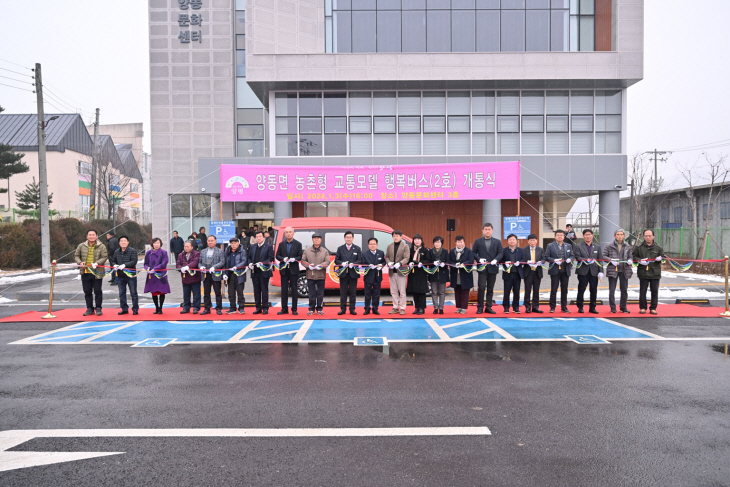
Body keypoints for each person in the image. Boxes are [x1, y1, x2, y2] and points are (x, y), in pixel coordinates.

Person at [74, 229, 108, 316]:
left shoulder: (101, 246)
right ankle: (89, 308)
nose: (91, 236)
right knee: (87, 291)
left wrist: (97, 263)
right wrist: (80, 262)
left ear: (96, 236)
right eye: (90, 235)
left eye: (93, 235)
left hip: (97, 272)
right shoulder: (81, 246)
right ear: (87, 236)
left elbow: (104, 257)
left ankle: (98, 308)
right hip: (85, 272)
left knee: (97, 291)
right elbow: (76, 256)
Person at [472, 223, 504, 315]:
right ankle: (480, 307)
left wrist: (496, 260)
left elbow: (500, 253)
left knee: (490, 289)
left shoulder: (497, 242)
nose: (487, 231)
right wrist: (479, 259)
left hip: (493, 268)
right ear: (482, 231)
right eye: (485, 229)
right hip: (482, 268)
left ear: (492, 230)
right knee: (481, 288)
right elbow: (473, 252)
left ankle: (488, 307)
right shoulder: (478, 241)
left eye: (489, 229)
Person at [633, 229, 664, 315]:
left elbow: (664, 259)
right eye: (646, 236)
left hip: (655, 273)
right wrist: (639, 260)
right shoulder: (639, 247)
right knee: (643, 291)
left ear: (653, 236)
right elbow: (633, 257)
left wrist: (660, 259)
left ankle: (653, 308)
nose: (648, 237)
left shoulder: (658, 248)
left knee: (654, 291)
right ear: (643, 237)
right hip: (643, 272)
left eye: (650, 236)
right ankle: (643, 307)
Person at [275, 226, 303, 315]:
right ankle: (284, 309)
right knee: (284, 290)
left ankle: (294, 309)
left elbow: (300, 256)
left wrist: (294, 259)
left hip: (294, 270)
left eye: (290, 232)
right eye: (287, 232)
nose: (288, 233)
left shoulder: (298, 244)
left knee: (294, 290)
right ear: (284, 234)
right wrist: (283, 258)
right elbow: (277, 255)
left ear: (293, 233)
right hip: (284, 270)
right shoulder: (281, 244)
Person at [604, 228, 633, 314]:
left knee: (624, 290)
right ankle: (613, 307)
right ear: (614, 236)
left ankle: (623, 307)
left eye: (621, 234)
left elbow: (630, 256)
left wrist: (630, 260)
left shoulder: (628, 246)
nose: (620, 236)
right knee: (612, 290)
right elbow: (604, 256)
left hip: (624, 270)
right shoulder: (609, 245)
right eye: (618, 234)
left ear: (624, 236)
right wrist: (611, 260)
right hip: (613, 270)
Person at [544, 229, 574, 313]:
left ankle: (564, 307)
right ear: (555, 236)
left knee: (564, 290)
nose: (560, 236)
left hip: (565, 270)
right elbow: (546, 257)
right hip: (555, 270)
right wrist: (554, 260)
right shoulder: (550, 245)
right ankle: (552, 307)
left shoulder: (568, 245)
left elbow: (572, 256)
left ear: (564, 237)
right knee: (554, 289)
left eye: (561, 235)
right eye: (558, 235)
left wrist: (569, 259)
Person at [574, 229, 603, 314]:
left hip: (594, 271)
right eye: (586, 235)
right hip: (583, 271)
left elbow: (600, 259)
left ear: (592, 235)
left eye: (589, 234)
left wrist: (601, 271)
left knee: (593, 290)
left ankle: (592, 307)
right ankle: (580, 307)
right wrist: (586, 260)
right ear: (583, 236)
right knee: (581, 289)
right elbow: (577, 257)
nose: (588, 236)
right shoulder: (578, 246)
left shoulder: (597, 246)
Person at [110, 235, 139, 316]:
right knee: (122, 293)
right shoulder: (117, 252)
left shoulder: (132, 251)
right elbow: (113, 260)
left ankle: (135, 309)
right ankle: (124, 309)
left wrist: (124, 265)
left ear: (128, 242)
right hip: (120, 276)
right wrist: (114, 265)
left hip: (130, 275)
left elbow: (134, 261)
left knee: (133, 293)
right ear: (119, 243)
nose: (123, 242)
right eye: (121, 241)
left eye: (125, 241)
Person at [335, 231, 362, 316]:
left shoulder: (357, 248)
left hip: (353, 273)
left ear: (353, 238)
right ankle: (343, 309)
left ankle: (352, 309)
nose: (348, 239)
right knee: (343, 293)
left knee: (353, 292)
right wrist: (342, 263)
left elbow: (360, 260)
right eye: (347, 237)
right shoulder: (340, 248)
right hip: (343, 274)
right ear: (344, 238)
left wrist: (353, 264)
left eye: (350, 237)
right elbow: (336, 260)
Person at [302, 232, 329, 315]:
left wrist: (321, 265)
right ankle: (311, 308)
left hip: (321, 275)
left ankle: (320, 309)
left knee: (320, 294)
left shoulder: (324, 251)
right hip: (310, 275)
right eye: (314, 238)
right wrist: (308, 266)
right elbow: (303, 261)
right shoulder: (307, 250)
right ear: (312, 240)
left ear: (321, 240)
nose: (316, 240)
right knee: (312, 293)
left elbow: (327, 261)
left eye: (318, 238)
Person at [248, 231, 275, 315]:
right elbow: (249, 257)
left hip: (264, 271)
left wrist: (263, 263)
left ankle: (265, 307)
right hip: (254, 272)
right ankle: (258, 307)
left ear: (263, 237)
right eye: (257, 237)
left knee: (264, 290)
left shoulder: (268, 246)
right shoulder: (252, 247)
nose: (258, 238)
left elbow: (270, 258)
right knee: (256, 291)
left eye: (260, 236)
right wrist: (249, 263)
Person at [448, 235, 475, 314]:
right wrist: (455, 264)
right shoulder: (452, 251)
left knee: (465, 291)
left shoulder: (468, 251)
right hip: (455, 275)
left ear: (464, 242)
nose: (460, 244)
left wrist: (463, 264)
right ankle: (459, 307)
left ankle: (464, 307)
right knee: (457, 291)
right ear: (455, 243)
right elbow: (449, 260)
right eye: (458, 242)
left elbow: (471, 260)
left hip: (465, 275)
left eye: (461, 242)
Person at [385, 230, 410, 315]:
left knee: (402, 291)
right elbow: (387, 256)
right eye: (394, 236)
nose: (395, 237)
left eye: (397, 236)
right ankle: (395, 307)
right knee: (393, 291)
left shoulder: (405, 246)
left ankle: (402, 308)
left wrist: (400, 263)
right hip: (392, 271)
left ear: (401, 236)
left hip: (401, 271)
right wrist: (388, 263)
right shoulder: (389, 246)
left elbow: (407, 258)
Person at [144, 237, 171, 314]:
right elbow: (145, 263)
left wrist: (155, 269)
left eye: (158, 243)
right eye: (155, 243)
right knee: (154, 292)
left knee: (162, 291)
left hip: (161, 275)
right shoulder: (148, 253)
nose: (156, 244)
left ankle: (161, 308)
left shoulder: (164, 252)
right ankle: (157, 308)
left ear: (160, 244)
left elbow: (164, 263)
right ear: (152, 244)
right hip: (151, 275)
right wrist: (147, 268)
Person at [199, 235, 225, 315]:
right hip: (206, 275)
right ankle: (207, 308)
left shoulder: (220, 251)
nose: (210, 242)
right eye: (209, 241)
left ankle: (218, 308)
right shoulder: (203, 251)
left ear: (215, 241)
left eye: (212, 241)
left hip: (215, 274)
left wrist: (214, 267)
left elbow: (222, 262)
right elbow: (199, 262)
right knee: (206, 293)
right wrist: (201, 267)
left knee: (217, 292)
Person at [500, 234, 525, 314]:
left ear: (516, 241)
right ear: (507, 241)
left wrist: (520, 262)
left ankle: (516, 307)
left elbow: (523, 259)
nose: (512, 241)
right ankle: (506, 307)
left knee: (516, 291)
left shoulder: (520, 250)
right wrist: (505, 263)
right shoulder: (504, 250)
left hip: (517, 273)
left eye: (513, 239)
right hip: (508, 273)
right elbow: (500, 260)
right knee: (506, 291)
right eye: (510, 239)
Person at [407, 233, 431, 315]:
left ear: (421, 241)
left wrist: (422, 263)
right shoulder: (410, 250)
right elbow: (408, 259)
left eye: (418, 239)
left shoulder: (425, 250)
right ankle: (416, 307)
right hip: (413, 272)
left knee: (421, 291)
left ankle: (422, 308)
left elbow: (428, 260)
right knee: (414, 291)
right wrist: (410, 263)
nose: (417, 241)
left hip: (421, 273)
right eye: (415, 239)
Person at [224, 237, 248, 315]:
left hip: (239, 274)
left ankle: (241, 307)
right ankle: (232, 307)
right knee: (231, 293)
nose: (233, 245)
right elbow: (225, 263)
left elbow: (244, 261)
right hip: (230, 275)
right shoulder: (227, 251)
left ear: (238, 243)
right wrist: (225, 273)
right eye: (232, 243)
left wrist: (236, 267)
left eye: (235, 243)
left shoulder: (242, 251)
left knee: (240, 292)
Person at [362, 237, 385, 315]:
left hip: (377, 276)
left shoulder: (381, 253)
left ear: (377, 245)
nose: (372, 245)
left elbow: (384, 262)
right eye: (371, 244)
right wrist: (368, 265)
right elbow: (362, 264)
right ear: (368, 245)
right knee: (367, 294)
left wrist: (381, 265)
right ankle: (367, 309)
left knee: (376, 294)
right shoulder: (364, 254)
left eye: (374, 244)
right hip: (368, 276)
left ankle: (375, 308)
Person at [177, 240, 201, 314]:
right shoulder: (180, 255)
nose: (186, 248)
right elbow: (178, 264)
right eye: (185, 246)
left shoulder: (197, 254)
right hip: (185, 278)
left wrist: (187, 266)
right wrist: (181, 269)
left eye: (188, 246)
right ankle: (186, 307)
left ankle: (196, 307)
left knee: (196, 294)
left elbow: (195, 262)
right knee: (186, 294)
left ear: (192, 247)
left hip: (195, 277)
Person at [521, 233, 544, 314]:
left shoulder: (540, 249)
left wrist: (541, 262)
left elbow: (543, 258)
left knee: (536, 290)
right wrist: (527, 262)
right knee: (527, 290)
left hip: (537, 272)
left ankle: (535, 307)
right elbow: (522, 259)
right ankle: (527, 307)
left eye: (534, 240)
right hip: (528, 271)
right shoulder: (524, 250)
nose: (532, 242)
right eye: (530, 240)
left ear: (536, 241)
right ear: (528, 241)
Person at [428, 236, 449, 315]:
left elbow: (448, 261)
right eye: (435, 242)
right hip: (433, 273)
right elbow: (428, 261)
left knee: (442, 292)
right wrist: (433, 263)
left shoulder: (445, 251)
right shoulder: (430, 251)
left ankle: (441, 308)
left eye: (439, 242)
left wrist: (444, 263)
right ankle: (435, 307)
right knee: (434, 292)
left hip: (442, 274)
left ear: (442, 243)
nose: (437, 244)